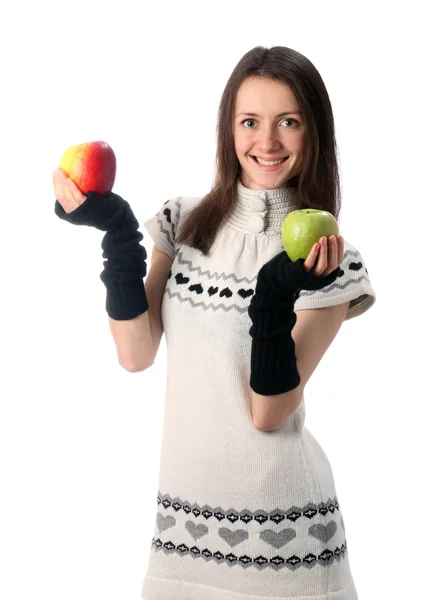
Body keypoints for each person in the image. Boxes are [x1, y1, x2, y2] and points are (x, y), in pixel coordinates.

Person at [53, 45, 376, 599]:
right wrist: (118, 231)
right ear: (229, 129)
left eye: (289, 122)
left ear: (314, 132)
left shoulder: (327, 258)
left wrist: (276, 290)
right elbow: (136, 352)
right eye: (249, 122)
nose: (266, 141)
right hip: (183, 537)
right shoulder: (186, 223)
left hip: (288, 543)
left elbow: (268, 411)